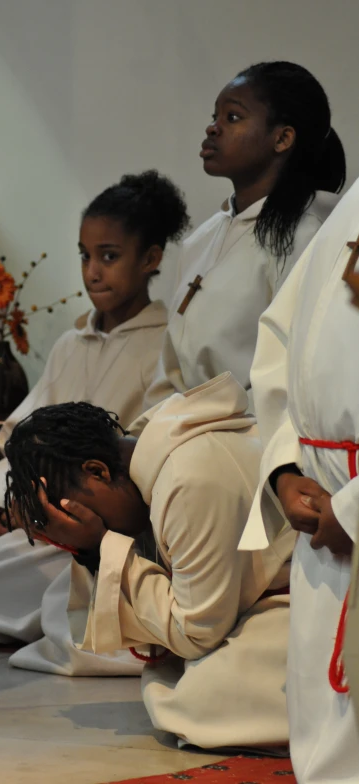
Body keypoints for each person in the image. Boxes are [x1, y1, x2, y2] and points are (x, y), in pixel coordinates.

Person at [0, 171, 189, 675]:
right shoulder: (69, 345)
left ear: (150, 259)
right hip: (24, 511)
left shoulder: (165, 342)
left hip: (81, 525)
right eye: (84, 255)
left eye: (109, 256)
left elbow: (147, 453)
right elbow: (21, 435)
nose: (93, 272)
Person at [4, 376, 294, 750]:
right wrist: (89, 550)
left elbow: (198, 633)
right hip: (254, 602)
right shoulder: (151, 454)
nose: (82, 526)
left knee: (203, 699)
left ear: (97, 471)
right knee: (178, 683)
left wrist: (97, 547)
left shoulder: (187, 479)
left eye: (73, 513)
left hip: (314, 594)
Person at [240, 177, 359, 782]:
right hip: (318, 487)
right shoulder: (355, 204)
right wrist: (285, 467)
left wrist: (356, 508)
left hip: (348, 496)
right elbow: (281, 338)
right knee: (320, 719)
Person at [145, 60, 344, 411]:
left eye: (232, 118)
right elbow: (169, 377)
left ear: (282, 138)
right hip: (183, 429)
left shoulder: (309, 233)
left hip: (250, 433)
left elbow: (292, 375)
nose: (212, 128)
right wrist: (148, 431)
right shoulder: (201, 241)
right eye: (214, 116)